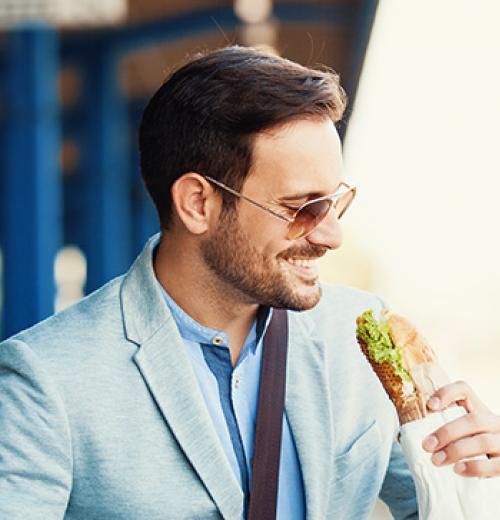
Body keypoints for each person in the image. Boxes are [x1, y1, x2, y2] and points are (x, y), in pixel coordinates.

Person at [1, 46, 499, 520]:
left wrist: (481, 476)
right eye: (301, 208)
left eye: (334, 202)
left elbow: (435, 505)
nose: (332, 235)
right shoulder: (44, 383)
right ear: (198, 203)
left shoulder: (359, 339)